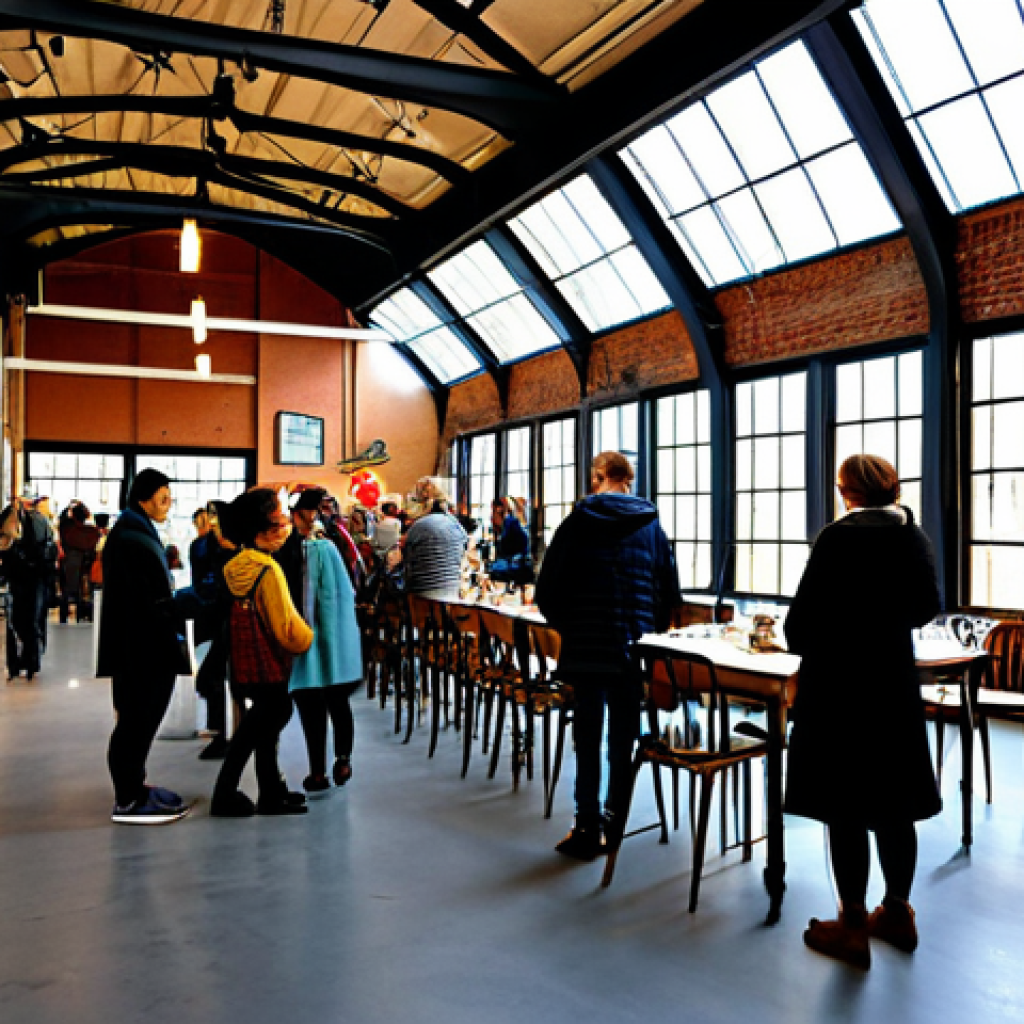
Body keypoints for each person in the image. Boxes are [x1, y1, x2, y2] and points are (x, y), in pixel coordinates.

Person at [785, 454, 941, 969]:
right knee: (894, 802)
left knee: (844, 804)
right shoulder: (911, 536)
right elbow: (924, 608)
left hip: (838, 688)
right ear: (892, 489)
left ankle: (852, 924)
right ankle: (897, 912)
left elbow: (799, 627)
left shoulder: (836, 539)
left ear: (846, 491)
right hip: (892, 684)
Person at [536, 451, 680, 861]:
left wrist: (573, 625)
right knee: (623, 734)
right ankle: (616, 823)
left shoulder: (578, 521)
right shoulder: (651, 525)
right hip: (633, 646)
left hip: (587, 645)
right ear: (628, 479)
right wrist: (645, 630)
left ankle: (586, 825)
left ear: (598, 477)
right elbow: (669, 591)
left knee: (587, 734)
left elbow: (547, 589)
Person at [211, 488, 313, 818]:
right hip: (270, 661)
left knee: (264, 724)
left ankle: (272, 791)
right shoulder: (268, 570)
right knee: (264, 722)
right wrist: (310, 637)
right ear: (265, 529)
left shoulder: (235, 566)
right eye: (280, 518)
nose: (285, 526)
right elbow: (286, 628)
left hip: (243, 660)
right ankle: (225, 793)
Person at [97, 469, 191, 824]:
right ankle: (128, 799)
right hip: (141, 647)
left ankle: (135, 786)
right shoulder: (131, 537)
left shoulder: (135, 530)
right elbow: (144, 601)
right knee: (137, 719)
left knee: (139, 720)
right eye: (163, 499)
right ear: (143, 497)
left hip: (141, 643)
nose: (168, 506)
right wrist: (182, 603)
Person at [276, 487, 363, 795]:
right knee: (338, 699)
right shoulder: (336, 539)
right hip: (336, 632)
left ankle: (317, 772)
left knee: (311, 703)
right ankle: (343, 757)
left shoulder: (289, 548)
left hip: (304, 633)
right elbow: (355, 580)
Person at [188, 500, 238, 760]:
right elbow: (199, 580)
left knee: (214, 678)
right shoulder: (202, 546)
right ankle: (220, 733)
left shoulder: (230, 547)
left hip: (228, 619)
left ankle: (223, 735)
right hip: (211, 616)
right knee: (212, 679)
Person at [0, 496, 59, 680]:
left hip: (20, 578)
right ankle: (31, 661)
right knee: (31, 619)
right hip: (35, 578)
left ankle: (18, 664)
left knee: (16, 621)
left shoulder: (18, 522)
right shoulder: (42, 522)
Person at [402, 492, 468, 601]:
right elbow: (465, 549)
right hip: (452, 595)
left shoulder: (417, 526)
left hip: (421, 597)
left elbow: (407, 560)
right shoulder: (456, 524)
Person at [59, 502, 100, 623]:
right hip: (86, 563)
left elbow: (63, 519)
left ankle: (64, 616)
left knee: (67, 591)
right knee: (84, 591)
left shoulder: (67, 528)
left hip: (70, 562)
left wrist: (69, 507)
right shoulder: (91, 531)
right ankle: (82, 615)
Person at [487, 496, 534, 585]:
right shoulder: (509, 524)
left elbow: (513, 549)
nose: (491, 515)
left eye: (493, 511)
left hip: (515, 570)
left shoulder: (511, 523)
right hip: (517, 568)